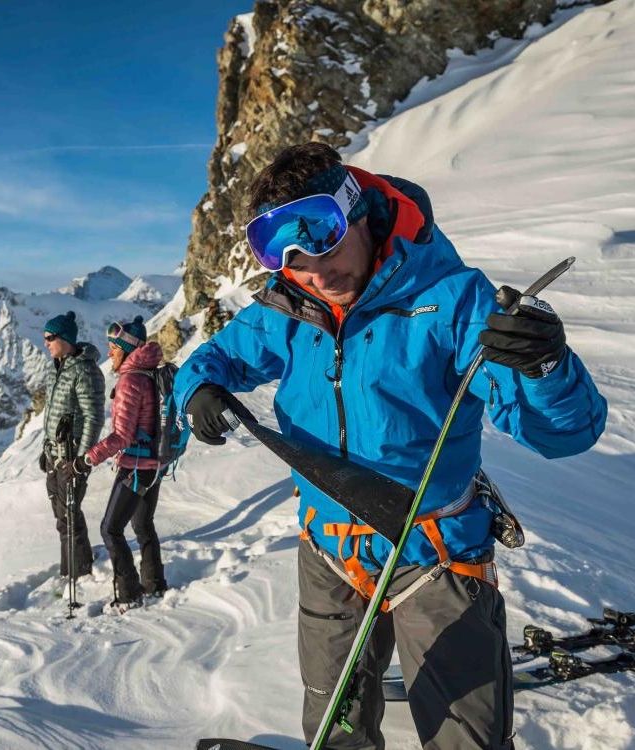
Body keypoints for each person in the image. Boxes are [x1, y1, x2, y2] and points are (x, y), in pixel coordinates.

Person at [173, 143, 607, 749]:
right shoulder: (288, 308)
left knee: (466, 740)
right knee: (334, 729)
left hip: (435, 556)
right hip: (327, 553)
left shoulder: (452, 301)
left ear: (357, 213)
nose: (316, 272)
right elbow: (211, 357)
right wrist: (197, 389)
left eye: (323, 238)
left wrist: (545, 366)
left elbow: (564, 434)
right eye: (290, 257)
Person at [64, 316, 169, 608]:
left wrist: (85, 461)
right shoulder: (149, 373)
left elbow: (122, 436)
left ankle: (128, 594)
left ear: (126, 348)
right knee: (143, 525)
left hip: (135, 466)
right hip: (155, 465)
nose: (109, 352)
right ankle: (155, 584)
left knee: (110, 529)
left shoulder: (130, 380)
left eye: (113, 347)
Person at [40, 310, 105, 578]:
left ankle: (77, 571)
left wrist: (81, 459)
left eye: (50, 337)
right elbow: (52, 415)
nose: (45, 343)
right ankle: (74, 566)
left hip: (72, 457)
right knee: (62, 516)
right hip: (56, 455)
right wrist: (46, 447)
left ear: (65, 339)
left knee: (69, 515)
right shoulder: (57, 369)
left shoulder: (85, 371)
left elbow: (93, 417)